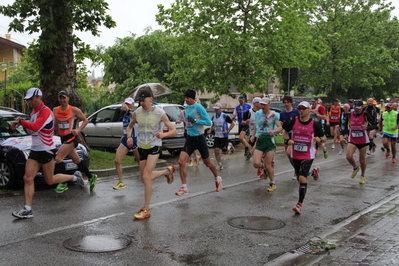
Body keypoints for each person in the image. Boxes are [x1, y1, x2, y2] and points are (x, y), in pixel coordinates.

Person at [11, 88, 84, 219]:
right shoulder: (33, 112)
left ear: (39, 97)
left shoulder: (45, 111)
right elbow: (31, 132)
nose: (30, 102)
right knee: (27, 178)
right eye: (28, 100)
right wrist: (20, 125)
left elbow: (36, 127)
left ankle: (74, 177)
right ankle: (28, 209)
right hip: (35, 149)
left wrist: (22, 121)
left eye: (32, 99)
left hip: (46, 149)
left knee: (50, 180)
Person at [126, 90, 177, 219]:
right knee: (145, 178)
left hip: (154, 146)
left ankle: (146, 208)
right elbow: (130, 126)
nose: (141, 103)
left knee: (146, 176)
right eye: (140, 101)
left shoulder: (159, 112)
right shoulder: (137, 113)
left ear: (151, 99)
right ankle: (166, 172)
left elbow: (174, 130)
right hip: (142, 146)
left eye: (143, 100)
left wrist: (164, 134)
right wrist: (129, 137)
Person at [175, 89, 222, 196]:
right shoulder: (186, 108)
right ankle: (184, 187)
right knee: (181, 162)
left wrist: (195, 121)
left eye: (188, 98)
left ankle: (217, 178)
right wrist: (182, 121)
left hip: (199, 138)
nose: (185, 100)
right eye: (185, 97)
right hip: (190, 138)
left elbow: (208, 122)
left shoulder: (199, 107)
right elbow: (187, 120)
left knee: (208, 164)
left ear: (193, 98)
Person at [283, 101, 325, 214]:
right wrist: (288, 140)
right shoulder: (294, 121)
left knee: (301, 176)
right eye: (299, 108)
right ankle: (314, 172)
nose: (301, 110)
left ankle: (299, 204)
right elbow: (285, 133)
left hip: (308, 154)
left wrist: (319, 140)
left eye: (303, 108)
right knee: (300, 176)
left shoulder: (314, 124)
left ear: (308, 110)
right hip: (295, 153)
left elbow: (324, 137)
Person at [53, 90, 97, 193]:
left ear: (68, 98)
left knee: (58, 157)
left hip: (72, 138)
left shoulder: (74, 110)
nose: (62, 100)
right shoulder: (55, 110)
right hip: (62, 138)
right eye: (60, 98)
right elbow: (54, 123)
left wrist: (78, 130)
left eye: (64, 98)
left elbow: (86, 120)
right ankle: (91, 176)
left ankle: (63, 182)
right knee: (77, 160)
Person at [250, 97, 282, 192]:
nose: (262, 106)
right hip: (260, 139)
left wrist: (274, 130)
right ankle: (265, 169)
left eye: (264, 104)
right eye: (261, 104)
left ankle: (272, 183)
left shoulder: (274, 115)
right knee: (256, 163)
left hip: (269, 140)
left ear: (269, 105)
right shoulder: (258, 113)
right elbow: (257, 125)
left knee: (268, 165)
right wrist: (253, 136)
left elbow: (280, 127)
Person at [344, 100, 376, 185]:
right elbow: (345, 125)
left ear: (362, 107)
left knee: (362, 160)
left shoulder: (365, 114)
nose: (356, 110)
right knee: (348, 156)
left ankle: (362, 175)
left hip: (363, 140)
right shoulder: (350, 114)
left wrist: (367, 128)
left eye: (358, 108)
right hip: (353, 139)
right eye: (355, 108)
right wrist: (344, 134)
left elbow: (374, 124)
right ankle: (355, 167)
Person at [113, 97, 140, 190]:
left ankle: (148, 177)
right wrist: (124, 135)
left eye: (129, 104)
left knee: (140, 161)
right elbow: (126, 127)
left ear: (133, 104)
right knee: (117, 160)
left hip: (135, 139)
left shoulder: (134, 113)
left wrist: (128, 109)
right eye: (126, 104)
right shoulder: (125, 115)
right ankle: (121, 181)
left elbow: (134, 116)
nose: (127, 105)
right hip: (126, 139)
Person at [208, 103, 235, 170]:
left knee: (224, 152)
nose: (216, 110)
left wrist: (227, 130)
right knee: (216, 151)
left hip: (224, 136)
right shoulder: (213, 116)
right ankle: (220, 164)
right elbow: (213, 125)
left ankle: (230, 146)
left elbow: (232, 124)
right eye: (215, 109)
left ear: (221, 109)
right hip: (217, 136)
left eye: (217, 109)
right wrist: (210, 130)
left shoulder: (225, 116)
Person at [279, 95, 299, 180]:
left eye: (288, 102)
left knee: (295, 154)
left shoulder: (296, 112)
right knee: (289, 154)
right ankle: (296, 169)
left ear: (291, 103)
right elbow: (280, 125)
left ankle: (299, 169)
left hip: (297, 136)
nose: (286, 104)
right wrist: (280, 125)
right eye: (285, 102)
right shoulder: (282, 114)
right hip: (287, 136)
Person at [176, 101, 201, 167]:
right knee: (189, 146)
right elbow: (182, 119)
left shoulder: (193, 112)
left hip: (193, 131)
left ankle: (192, 158)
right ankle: (195, 157)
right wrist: (179, 121)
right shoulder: (182, 112)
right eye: (185, 106)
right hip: (186, 131)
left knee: (190, 146)